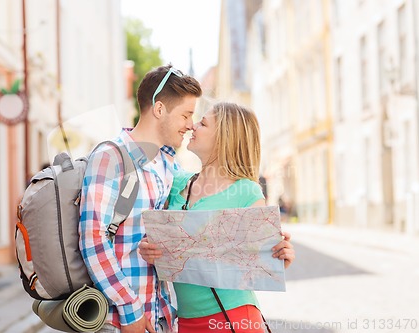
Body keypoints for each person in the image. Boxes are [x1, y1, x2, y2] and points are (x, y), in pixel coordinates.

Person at [139, 102, 295, 333]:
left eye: (203, 123)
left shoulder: (246, 192)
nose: (193, 125)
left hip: (234, 318)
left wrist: (281, 256)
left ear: (224, 137)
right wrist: (148, 250)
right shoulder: (177, 183)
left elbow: (261, 260)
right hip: (184, 321)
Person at [79, 64, 202, 333]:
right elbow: (93, 239)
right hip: (120, 321)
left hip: (159, 315)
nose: (191, 125)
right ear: (159, 110)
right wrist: (129, 308)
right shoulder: (111, 158)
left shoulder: (168, 164)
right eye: (186, 115)